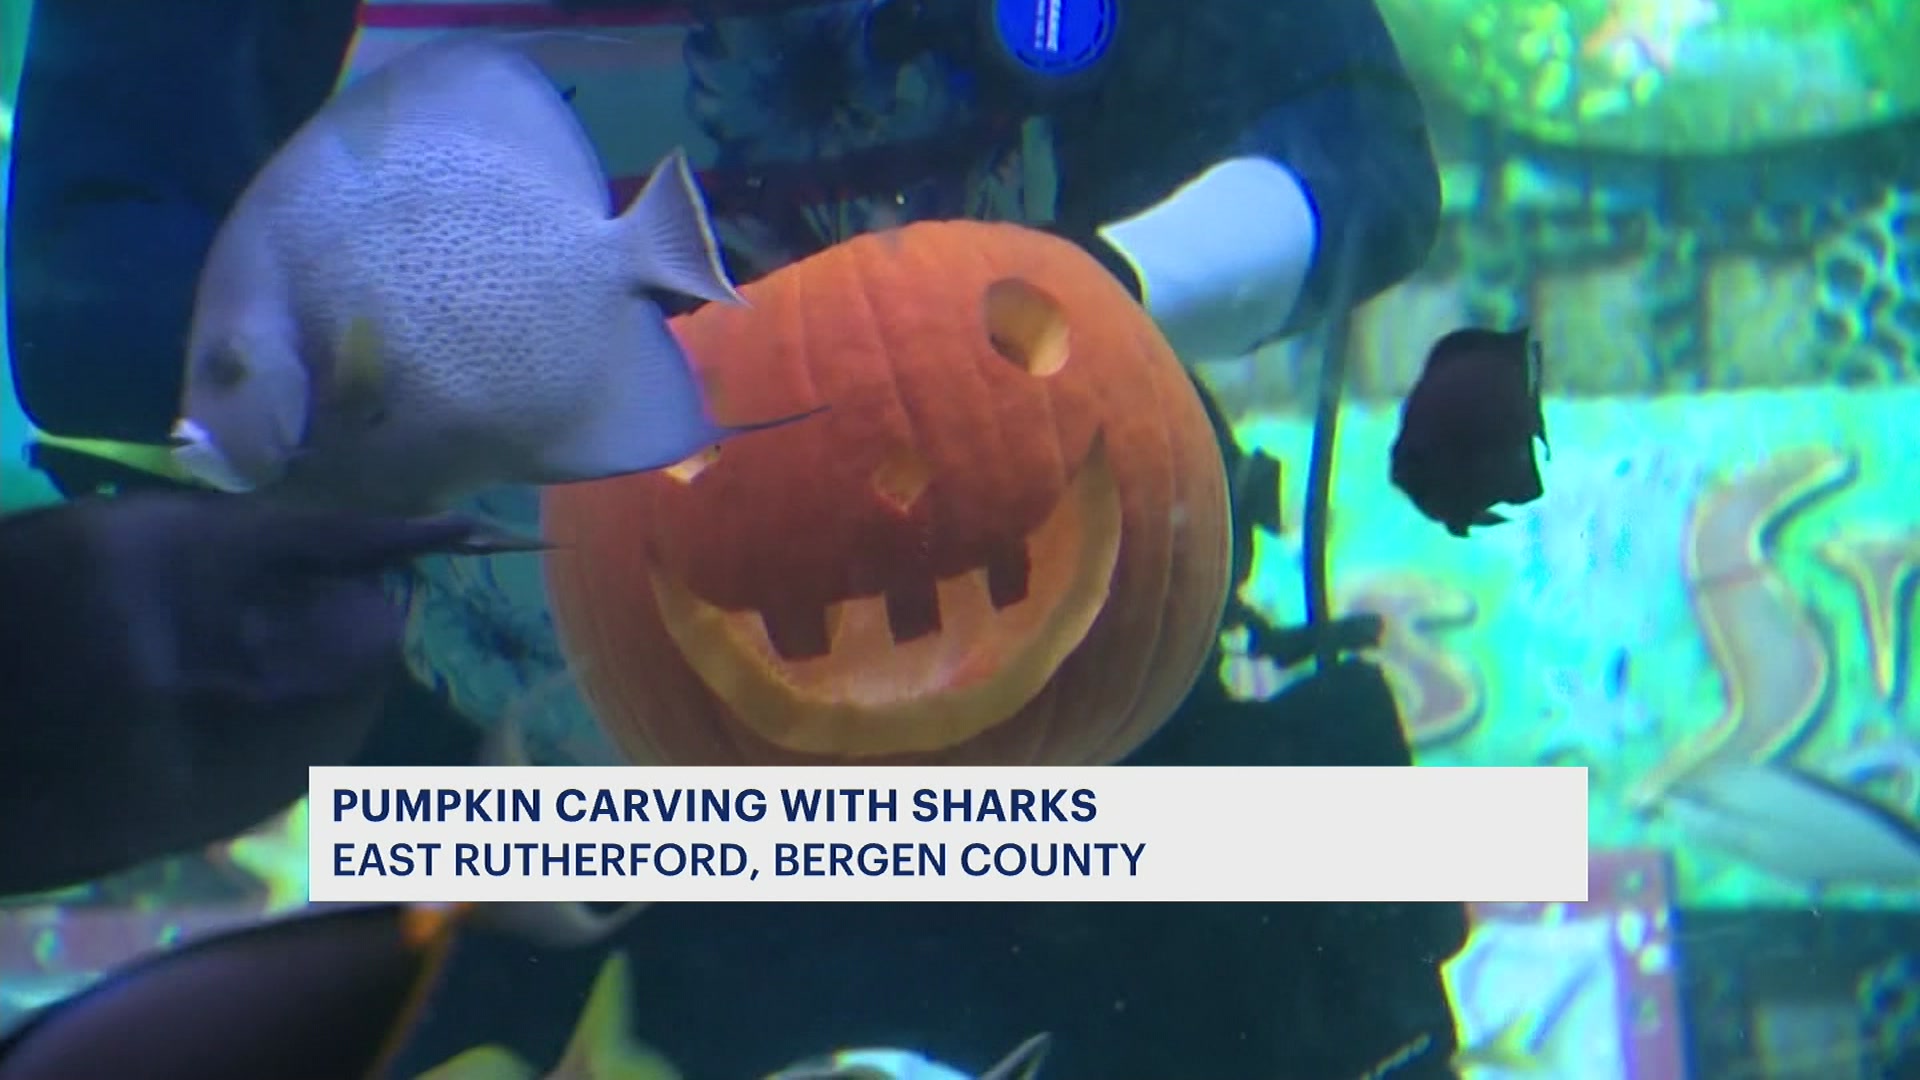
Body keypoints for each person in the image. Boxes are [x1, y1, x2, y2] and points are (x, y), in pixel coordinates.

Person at [6, 1, 1465, 1076]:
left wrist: (1090, 294)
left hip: (1084, 775)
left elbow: (1352, 144)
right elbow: (88, 288)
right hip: (509, 802)